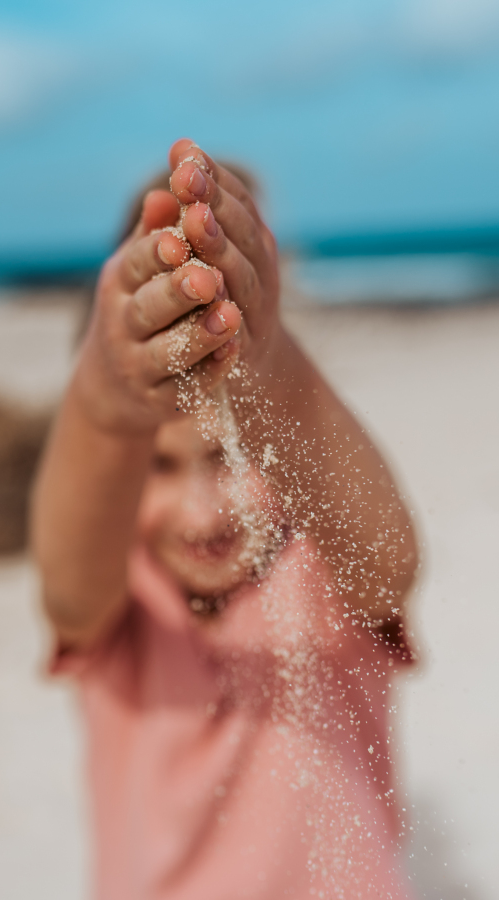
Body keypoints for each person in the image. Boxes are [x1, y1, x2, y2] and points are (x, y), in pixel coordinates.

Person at [31, 138, 419, 899]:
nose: (204, 512)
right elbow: (68, 580)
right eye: (160, 466)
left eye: (228, 456)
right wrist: (110, 408)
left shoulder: (324, 567)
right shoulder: (123, 601)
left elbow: (390, 560)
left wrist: (270, 365)